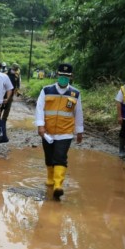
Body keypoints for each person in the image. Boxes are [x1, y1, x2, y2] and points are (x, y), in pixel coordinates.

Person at [35, 63, 84, 199]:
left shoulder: (75, 93)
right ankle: (50, 179)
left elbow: (78, 113)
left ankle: (58, 185)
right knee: (49, 156)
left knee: (60, 157)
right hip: (48, 131)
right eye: (62, 75)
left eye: (66, 76)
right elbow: (39, 109)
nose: (64, 78)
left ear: (71, 77)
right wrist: (40, 125)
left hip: (65, 132)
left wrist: (79, 132)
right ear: (57, 75)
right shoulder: (46, 90)